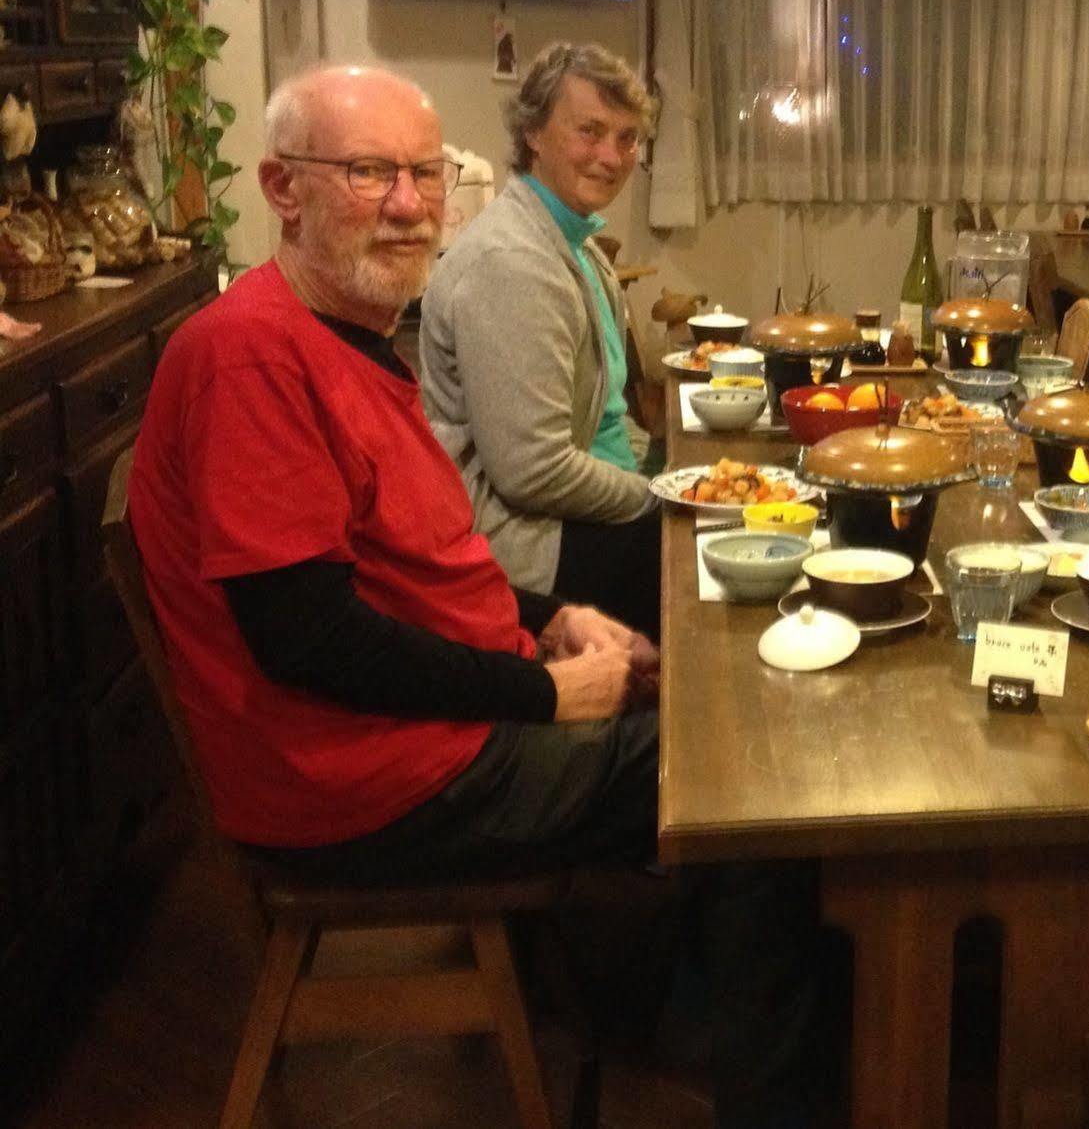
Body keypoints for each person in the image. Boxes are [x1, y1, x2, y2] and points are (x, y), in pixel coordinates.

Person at [128, 65, 818, 1127]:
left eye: (423, 172)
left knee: (714, 704)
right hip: (369, 781)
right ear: (282, 186)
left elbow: (406, 560)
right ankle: (771, 1090)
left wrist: (549, 618)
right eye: (366, 172)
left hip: (426, 734)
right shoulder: (251, 357)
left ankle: (686, 994)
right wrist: (543, 694)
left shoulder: (343, 336)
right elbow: (307, 638)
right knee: (752, 782)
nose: (408, 203)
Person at [421, 42, 661, 634]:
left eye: (627, 138)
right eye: (590, 131)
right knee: (707, 566)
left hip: (567, 509)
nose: (611, 155)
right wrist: (656, 497)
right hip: (517, 546)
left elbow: (605, 415)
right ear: (533, 133)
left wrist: (658, 480)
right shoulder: (513, 262)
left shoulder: (575, 244)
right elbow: (534, 472)